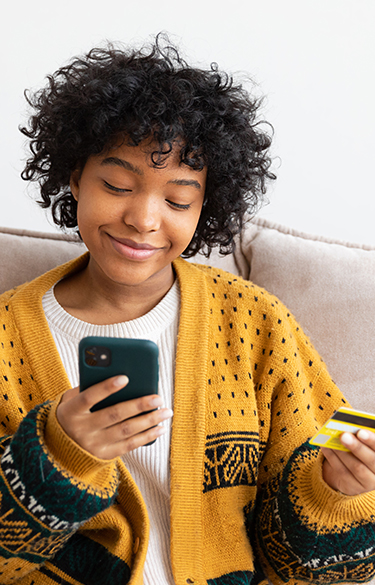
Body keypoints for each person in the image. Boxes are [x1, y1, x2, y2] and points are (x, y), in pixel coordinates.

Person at [1, 34, 375, 585]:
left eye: (178, 199)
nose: (145, 219)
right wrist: (60, 454)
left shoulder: (253, 321)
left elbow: (305, 568)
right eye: (117, 184)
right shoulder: (7, 337)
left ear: (206, 206)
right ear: (74, 177)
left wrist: (340, 494)